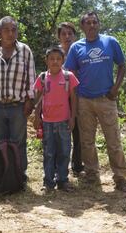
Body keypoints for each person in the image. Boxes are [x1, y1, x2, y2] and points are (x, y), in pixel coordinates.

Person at [64, 11, 126, 192]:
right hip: (84, 100)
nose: (92, 25)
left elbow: (122, 65)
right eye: (88, 23)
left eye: (94, 22)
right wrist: (74, 97)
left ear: (99, 24)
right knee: (86, 141)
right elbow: (70, 73)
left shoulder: (110, 42)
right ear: (83, 27)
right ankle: (92, 175)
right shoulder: (76, 47)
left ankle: (120, 177)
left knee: (113, 140)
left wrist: (116, 88)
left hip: (106, 99)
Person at [0, 16, 35, 185]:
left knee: (18, 143)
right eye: (6, 30)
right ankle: (4, 176)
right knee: (1, 143)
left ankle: (19, 177)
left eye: (13, 30)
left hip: (18, 106)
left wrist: (29, 101)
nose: (10, 33)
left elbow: (31, 79)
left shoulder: (25, 51)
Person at [33, 46, 79, 191]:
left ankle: (63, 180)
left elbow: (73, 98)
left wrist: (73, 118)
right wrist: (36, 117)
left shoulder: (68, 77)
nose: (55, 61)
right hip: (47, 122)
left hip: (64, 121)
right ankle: (48, 182)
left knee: (64, 151)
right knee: (48, 152)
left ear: (63, 60)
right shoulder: (42, 77)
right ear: (46, 60)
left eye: (58, 59)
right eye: (52, 59)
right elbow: (38, 99)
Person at [57, 22, 84, 176]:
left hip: (78, 97)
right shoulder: (55, 54)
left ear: (75, 36)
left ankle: (78, 165)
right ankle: (60, 167)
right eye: (63, 34)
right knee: (61, 134)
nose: (67, 37)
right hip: (59, 100)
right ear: (59, 37)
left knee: (79, 133)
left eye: (70, 34)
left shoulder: (81, 51)